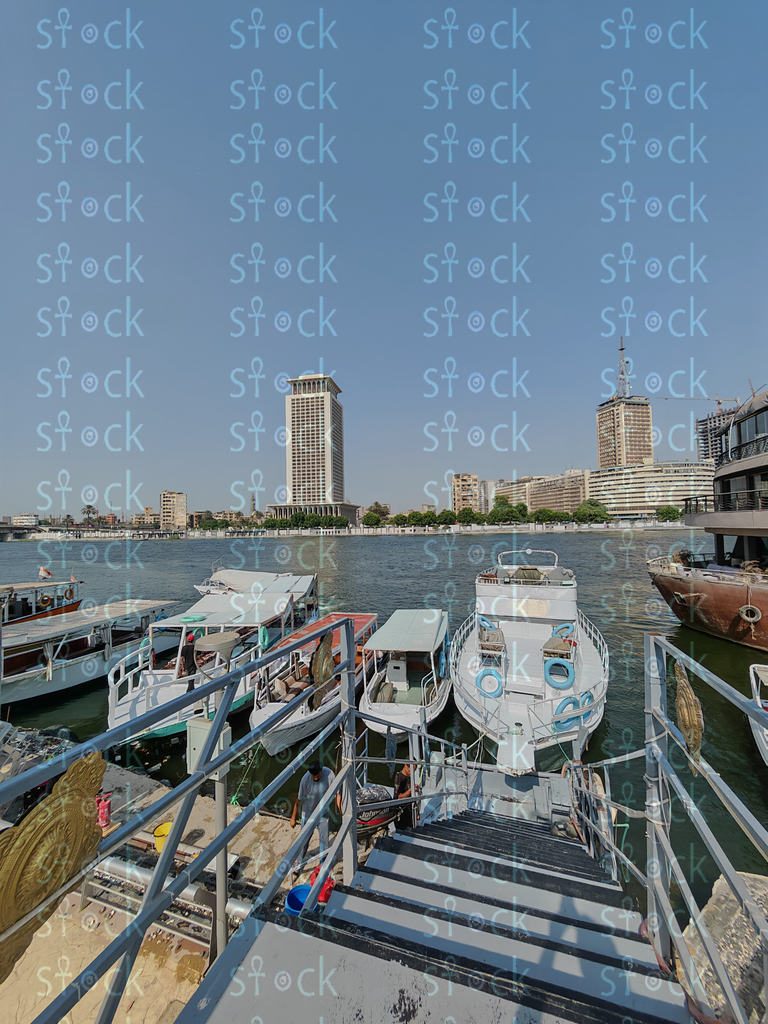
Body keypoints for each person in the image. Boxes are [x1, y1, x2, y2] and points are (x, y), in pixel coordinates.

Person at [289, 760, 336, 881]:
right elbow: (298, 800)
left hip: (323, 813)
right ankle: (298, 862)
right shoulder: (305, 780)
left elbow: (337, 793)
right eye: (313, 776)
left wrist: (341, 807)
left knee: (324, 840)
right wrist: (293, 817)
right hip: (308, 814)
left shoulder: (329, 774)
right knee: (304, 840)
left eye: (318, 776)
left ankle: (323, 864)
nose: (315, 778)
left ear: (321, 771)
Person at [394, 763, 414, 828]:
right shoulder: (399, 777)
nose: (412, 773)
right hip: (401, 811)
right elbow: (399, 797)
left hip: (409, 811)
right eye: (411, 770)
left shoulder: (410, 778)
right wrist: (410, 790)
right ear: (405, 765)